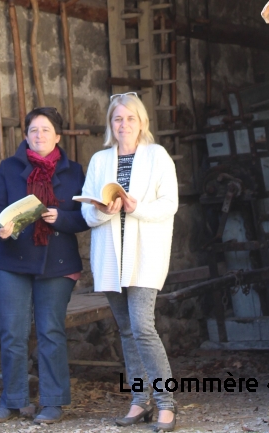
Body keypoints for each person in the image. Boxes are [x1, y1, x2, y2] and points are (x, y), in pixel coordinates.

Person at [80, 93, 179, 432]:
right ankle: (140, 401)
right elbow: (85, 211)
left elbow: (170, 204)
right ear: (111, 124)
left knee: (142, 326)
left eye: (130, 119)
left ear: (142, 123)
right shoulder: (99, 160)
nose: (124, 125)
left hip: (145, 255)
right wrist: (101, 210)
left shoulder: (156, 156)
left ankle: (166, 404)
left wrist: (136, 207)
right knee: (126, 330)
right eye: (117, 119)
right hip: (111, 256)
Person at [0, 107, 89, 425]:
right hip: (13, 260)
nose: (39, 135)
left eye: (45, 130)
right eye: (33, 130)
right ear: (26, 136)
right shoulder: (9, 167)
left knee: (50, 331)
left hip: (57, 261)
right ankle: (12, 400)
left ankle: (53, 402)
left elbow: (87, 216)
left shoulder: (73, 172)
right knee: (12, 333)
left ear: (57, 136)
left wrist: (62, 218)